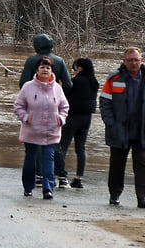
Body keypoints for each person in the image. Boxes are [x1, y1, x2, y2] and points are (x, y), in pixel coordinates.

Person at [99, 46, 145, 208]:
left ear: (142, 60)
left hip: (142, 130)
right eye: (130, 60)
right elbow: (104, 102)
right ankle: (114, 195)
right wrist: (110, 123)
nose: (133, 63)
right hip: (119, 129)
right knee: (116, 164)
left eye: (136, 60)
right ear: (124, 61)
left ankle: (143, 198)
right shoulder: (114, 79)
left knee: (142, 164)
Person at [18, 34, 72, 186]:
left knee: (35, 142)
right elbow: (68, 84)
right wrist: (59, 99)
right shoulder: (59, 61)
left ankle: (40, 174)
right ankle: (62, 175)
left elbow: (23, 84)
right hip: (54, 108)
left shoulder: (32, 61)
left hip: (34, 108)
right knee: (54, 143)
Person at [14, 57, 69, 199]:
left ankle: (48, 188)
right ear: (37, 70)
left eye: (48, 68)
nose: (45, 70)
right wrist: (26, 118)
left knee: (48, 160)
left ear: (51, 71)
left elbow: (64, 107)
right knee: (30, 160)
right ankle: (28, 187)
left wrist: (61, 119)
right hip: (32, 130)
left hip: (51, 130)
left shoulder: (57, 88)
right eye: (42, 67)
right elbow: (18, 106)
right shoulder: (28, 87)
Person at [54, 57, 99, 189]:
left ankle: (59, 174)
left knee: (62, 146)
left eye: (74, 68)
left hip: (72, 117)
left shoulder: (76, 81)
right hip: (87, 118)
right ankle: (78, 178)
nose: (73, 71)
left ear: (79, 68)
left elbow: (65, 95)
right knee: (81, 148)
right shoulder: (94, 82)